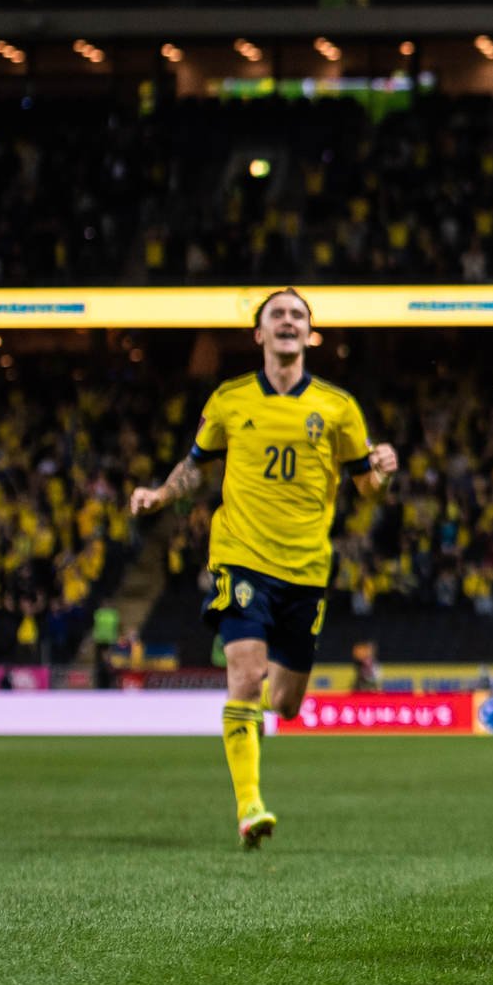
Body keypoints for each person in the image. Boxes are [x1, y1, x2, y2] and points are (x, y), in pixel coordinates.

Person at [129, 289, 397, 847]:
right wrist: (159, 495)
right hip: (241, 556)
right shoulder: (229, 400)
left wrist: (382, 472)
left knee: (286, 703)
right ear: (259, 334)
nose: (287, 322)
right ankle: (250, 807)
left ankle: (261, 738)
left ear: (308, 333)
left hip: (305, 569)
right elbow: (195, 467)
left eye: (297, 315)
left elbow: (365, 486)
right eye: (277, 314)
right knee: (246, 677)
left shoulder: (338, 407)